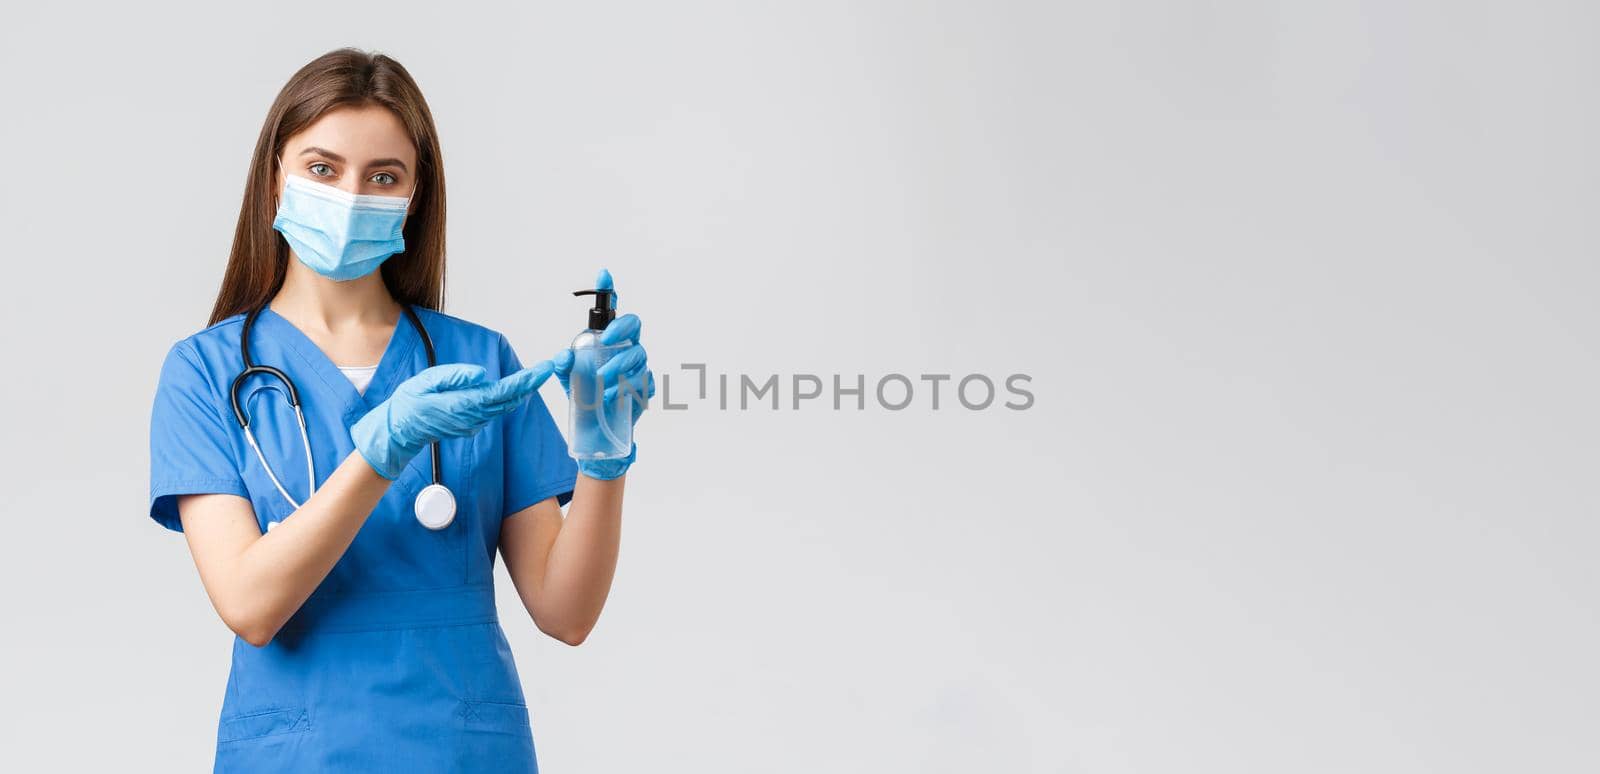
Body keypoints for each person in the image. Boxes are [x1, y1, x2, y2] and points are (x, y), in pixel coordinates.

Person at [146, 48, 652, 772]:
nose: (351, 196)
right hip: (298, 752)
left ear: (413, 199)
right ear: (273, 183)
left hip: (462, 749)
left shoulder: (479, 364)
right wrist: (380, 453)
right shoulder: (206, 372)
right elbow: (251, 604)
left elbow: (565, 613)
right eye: (323, 169)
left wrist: (604, 454)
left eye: (383, 177)